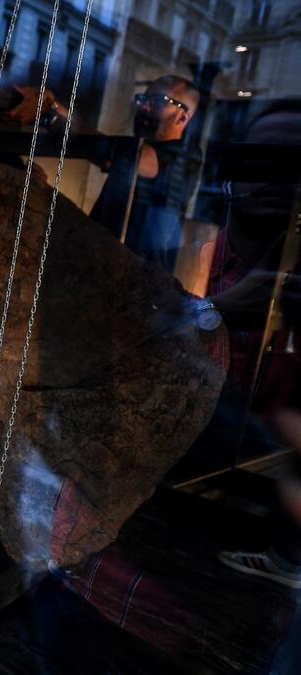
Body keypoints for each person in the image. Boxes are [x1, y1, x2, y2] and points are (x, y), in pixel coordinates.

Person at [206, 100, 301, 591]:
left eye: (293, 162)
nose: (276, 177)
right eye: (263, 160)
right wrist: (212, 312)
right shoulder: (187, 250)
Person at [90, 75, 202, 272]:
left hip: (140, 277)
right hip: (104, 262)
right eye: (144, 99)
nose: (145, 107)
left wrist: (56, 115)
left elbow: (128, 155)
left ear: (183, 117)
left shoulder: (185, 155)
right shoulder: (142, 152)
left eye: (159, 101)